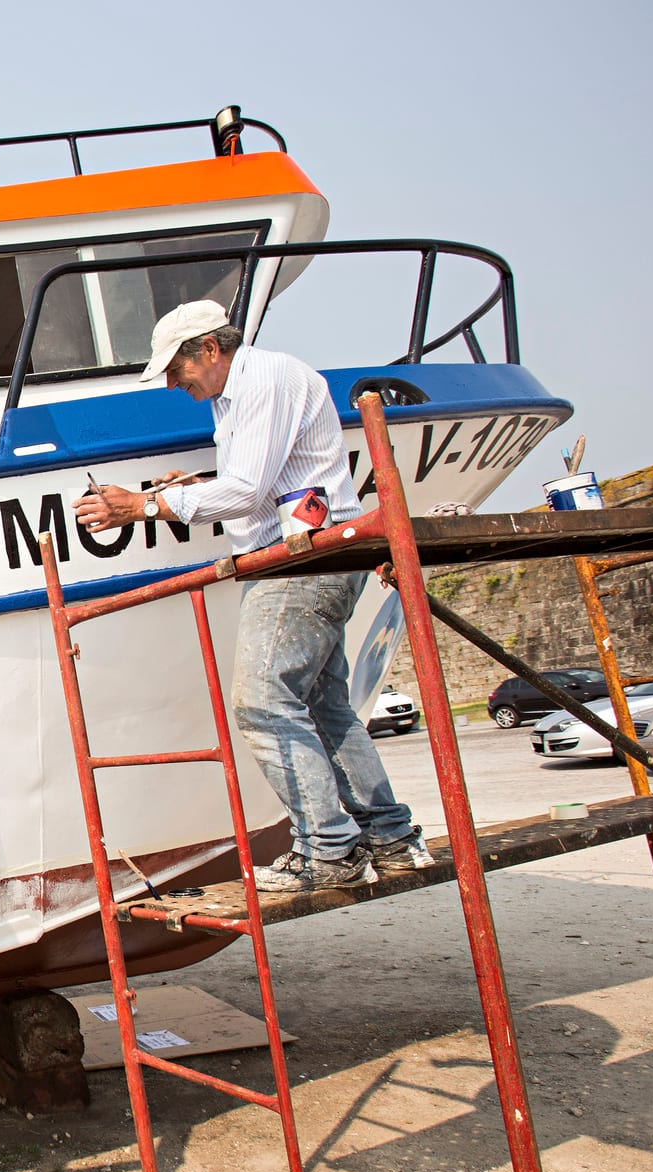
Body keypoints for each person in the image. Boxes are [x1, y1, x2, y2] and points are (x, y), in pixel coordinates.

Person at [74, 300, 432, 894]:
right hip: (313, 555)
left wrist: (144, 506)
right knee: (323, 706)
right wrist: (188, 489)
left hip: (298, 562)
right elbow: (269, 478)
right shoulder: (238, 394)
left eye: (176, 369)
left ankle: (329, 849)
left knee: (263, 703)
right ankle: (390, 838)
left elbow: (246, 491)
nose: (173, 383)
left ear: (209, 350)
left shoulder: (263, 378)